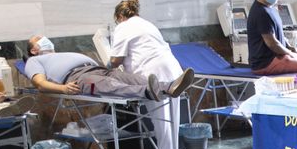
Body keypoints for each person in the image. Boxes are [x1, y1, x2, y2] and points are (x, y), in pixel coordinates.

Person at [109, 0, 186, 149]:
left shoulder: (123, 27)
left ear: (120, 16)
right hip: (172, 69)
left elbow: (116, 59)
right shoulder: (147, 24)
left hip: (152, 73)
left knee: (160, 120)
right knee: (172, 117)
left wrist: (107, 65)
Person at [23, 35, 194, 101]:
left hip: (96, 69)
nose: (44, 39)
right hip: (78, 78)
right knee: (109, 85)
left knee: (132, 78)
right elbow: (40, 84)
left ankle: (169, 87)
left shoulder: (59, 55)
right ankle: (148, 92)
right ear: (33, 50)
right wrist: (63, 89)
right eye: (39, 39)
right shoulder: (34, 61)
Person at [245, 0, 297, 76]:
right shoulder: (261, 12)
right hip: (265, 63)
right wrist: (290, 53)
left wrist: (289, 46)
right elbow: (272, 43)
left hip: (275, 58)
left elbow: (277, 34)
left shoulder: (270, 8)